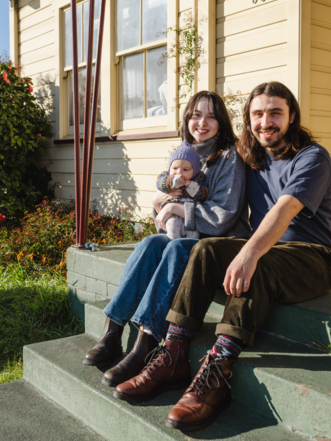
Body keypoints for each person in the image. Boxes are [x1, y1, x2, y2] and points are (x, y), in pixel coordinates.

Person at [113, 81, 331, 432]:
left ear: (292, 115)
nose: (267, 122)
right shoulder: (249, 158)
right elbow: (200, 174)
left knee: (259, 264)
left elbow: (285, 210)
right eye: (258, 114)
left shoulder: (312, 157)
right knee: (204, 250)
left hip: (311, 256)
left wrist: (248, 252)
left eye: (276, 113)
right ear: (248, 121)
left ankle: (217, 370)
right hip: (267, 249)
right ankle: (173, 352)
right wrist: (166, 196)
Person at [83, 90, 250, 391]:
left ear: (221, 121)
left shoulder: (229, 158)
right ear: (187, 119)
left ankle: (145, 344)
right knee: (149, 243)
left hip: (220, 242)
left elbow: (224, 215)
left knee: (174, 247)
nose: (202, 122)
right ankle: (112, 332)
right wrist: (163, 200)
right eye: (196, 115)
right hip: (188, 234)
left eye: (211, 116)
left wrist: (177, 207)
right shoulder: (184, 154)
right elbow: (162, 209)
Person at [156, 139, 208, 239]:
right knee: (172, 231)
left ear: (194, 171)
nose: (179, 172)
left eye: (185, 169)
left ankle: (190, 250)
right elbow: (160, 183)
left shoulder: (198, 178)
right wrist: (171, 182)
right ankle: (173, 246)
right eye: (175, 168)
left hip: (189, 215)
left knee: (194, 235)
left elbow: (204, 194)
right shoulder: (165, 176)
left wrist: (191, 186)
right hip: (172, 216)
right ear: (169, 167)